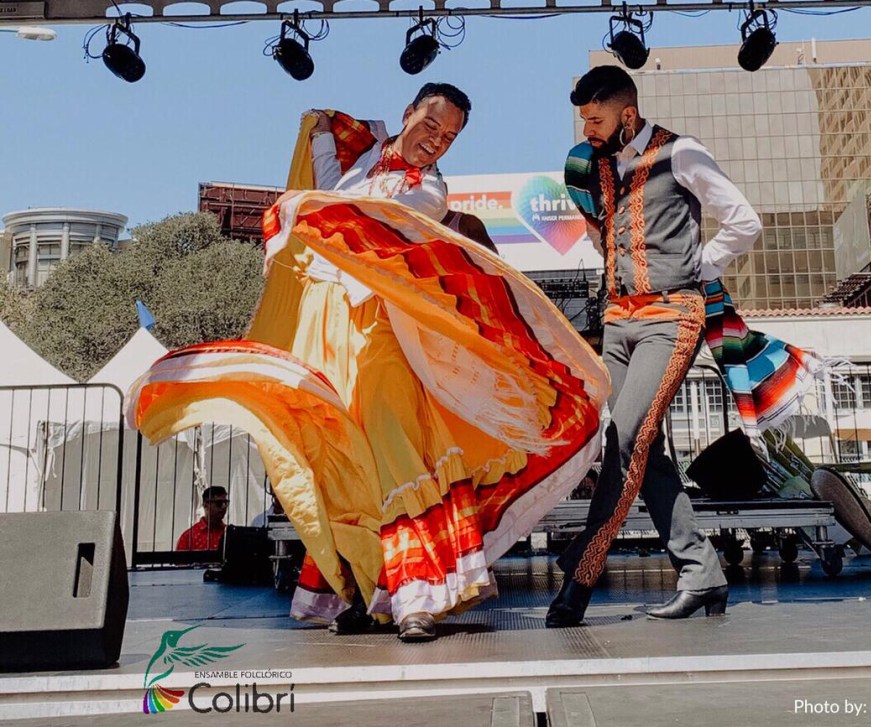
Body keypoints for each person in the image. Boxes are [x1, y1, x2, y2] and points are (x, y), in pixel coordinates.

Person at [129, 83, 608, 644]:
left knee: (395, 442)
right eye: (431, 125)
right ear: (408, 113)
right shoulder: (361, 164)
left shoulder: (428, 192)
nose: (436, 142)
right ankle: (363, 592)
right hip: (329, 329)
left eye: (449, 137)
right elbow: (322, 165)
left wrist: (302, 209)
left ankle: (417, 599)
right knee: (343, 456)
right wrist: (327, 126)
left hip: (387, 329)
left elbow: (358, 218)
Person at [546, 65, 762, 628]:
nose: (588, 130)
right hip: (618, 321)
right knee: (644, 447)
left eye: (597, 119)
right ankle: (702, 575)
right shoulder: (598, 166)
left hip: (672, 316)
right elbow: (603, 232)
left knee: (623, 442)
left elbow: (744, 222)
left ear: (628, 114)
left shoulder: (681, 153)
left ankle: (580, 577)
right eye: (584, 120)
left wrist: (695, 267)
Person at [176, 486, 228, 551]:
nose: (224, 507)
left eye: (226, 503)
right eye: (219, 503)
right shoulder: (189, 537)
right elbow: (179, 560)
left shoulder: (229, 534)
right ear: (206, 505)